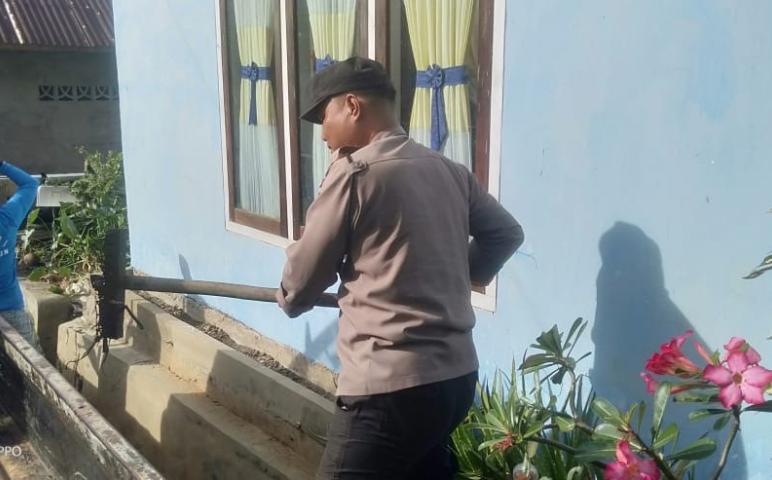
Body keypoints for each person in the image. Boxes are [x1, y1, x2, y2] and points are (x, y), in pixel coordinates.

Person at [276, 57, 524, 479]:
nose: (323, 134)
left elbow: (301, 285)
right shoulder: (450, 171)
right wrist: (457, 275)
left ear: (352, 106)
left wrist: (289, 290)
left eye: (324, 117)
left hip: (387, 390)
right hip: (455, 379)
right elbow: (505, 234)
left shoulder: (354, 175)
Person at [0, 160, 40, 348]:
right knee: (33, 359)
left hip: (11, 308)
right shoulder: (7, 218)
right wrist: (2, 165)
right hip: (11, 308)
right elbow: (30, 184)